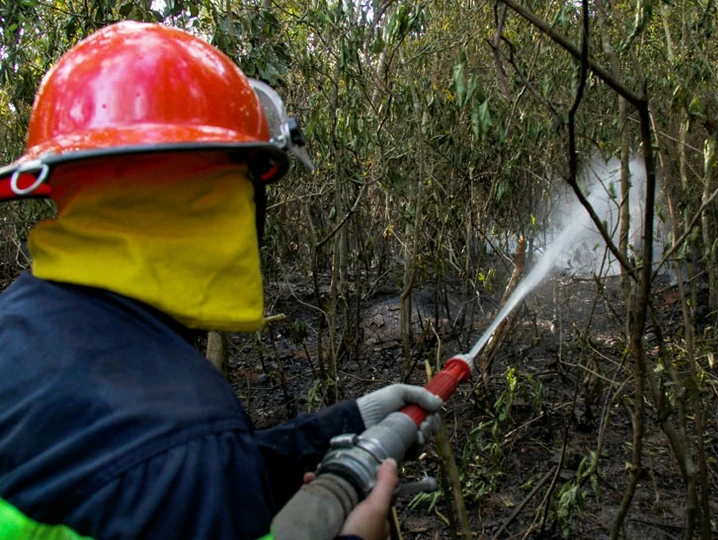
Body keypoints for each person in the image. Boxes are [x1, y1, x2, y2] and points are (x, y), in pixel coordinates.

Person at [0, 22, 442, 540]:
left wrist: (348, 422)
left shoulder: (21, 320)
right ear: (225, 197)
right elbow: (183, 465)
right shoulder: (185, 438)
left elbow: (140, 468)